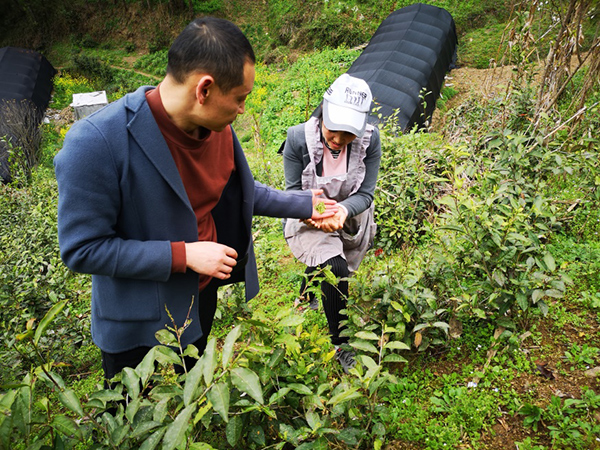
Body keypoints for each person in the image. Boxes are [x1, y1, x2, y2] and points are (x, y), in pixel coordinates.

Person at [54, 17, 337, 384]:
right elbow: (82, 249)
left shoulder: (217, 129)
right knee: (129, 408)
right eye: (239, 98)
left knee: (192, 390)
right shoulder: (95, 143)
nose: (242, 110)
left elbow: (241, 191)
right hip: (136, 319)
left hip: (199, 295)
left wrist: (307, 205)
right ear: (204, 89)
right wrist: (184, 255)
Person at [282, 74, 381, 373]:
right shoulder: (298, 139)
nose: (338, 139)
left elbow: (366, 193)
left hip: (349, 216)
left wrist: (343, 211)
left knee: (333, 259)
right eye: (333, 129)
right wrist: (315, 212)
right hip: (308, 214)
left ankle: (306, 291)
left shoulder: (371, 141)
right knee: (336, 269)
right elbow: (292, 193)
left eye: (348, 134)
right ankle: (341, 343)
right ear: (324, 110)